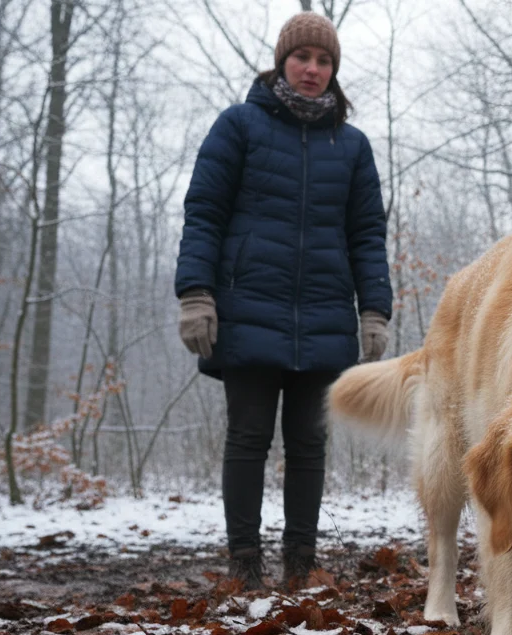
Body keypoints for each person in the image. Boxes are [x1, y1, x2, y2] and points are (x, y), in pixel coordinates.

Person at [174, 12, 391, 591]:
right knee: (247, 438)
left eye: (324, 61)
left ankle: (299, 565)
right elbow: (205, 212)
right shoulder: (239, 126)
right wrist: (196, 294)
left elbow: (367, 233)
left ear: (333, 71)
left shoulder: (352, 146)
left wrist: (375, 309)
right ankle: (244, 565)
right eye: (303, 58)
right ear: (282, 62)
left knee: (309, 443)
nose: (313, 69)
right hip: (248, 308)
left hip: (322, 315)